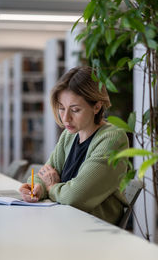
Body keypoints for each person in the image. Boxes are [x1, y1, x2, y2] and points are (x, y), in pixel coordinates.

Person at [19, 66, 129, 225]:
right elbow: (45, 173)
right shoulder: (69, 136)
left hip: (95, 231)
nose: (65, 118)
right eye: (61, 109)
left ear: (97, 107)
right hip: (65, 223)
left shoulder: (113, 139)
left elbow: (73, 197)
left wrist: (52, 187)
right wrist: (37, 188)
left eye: (75, 110)